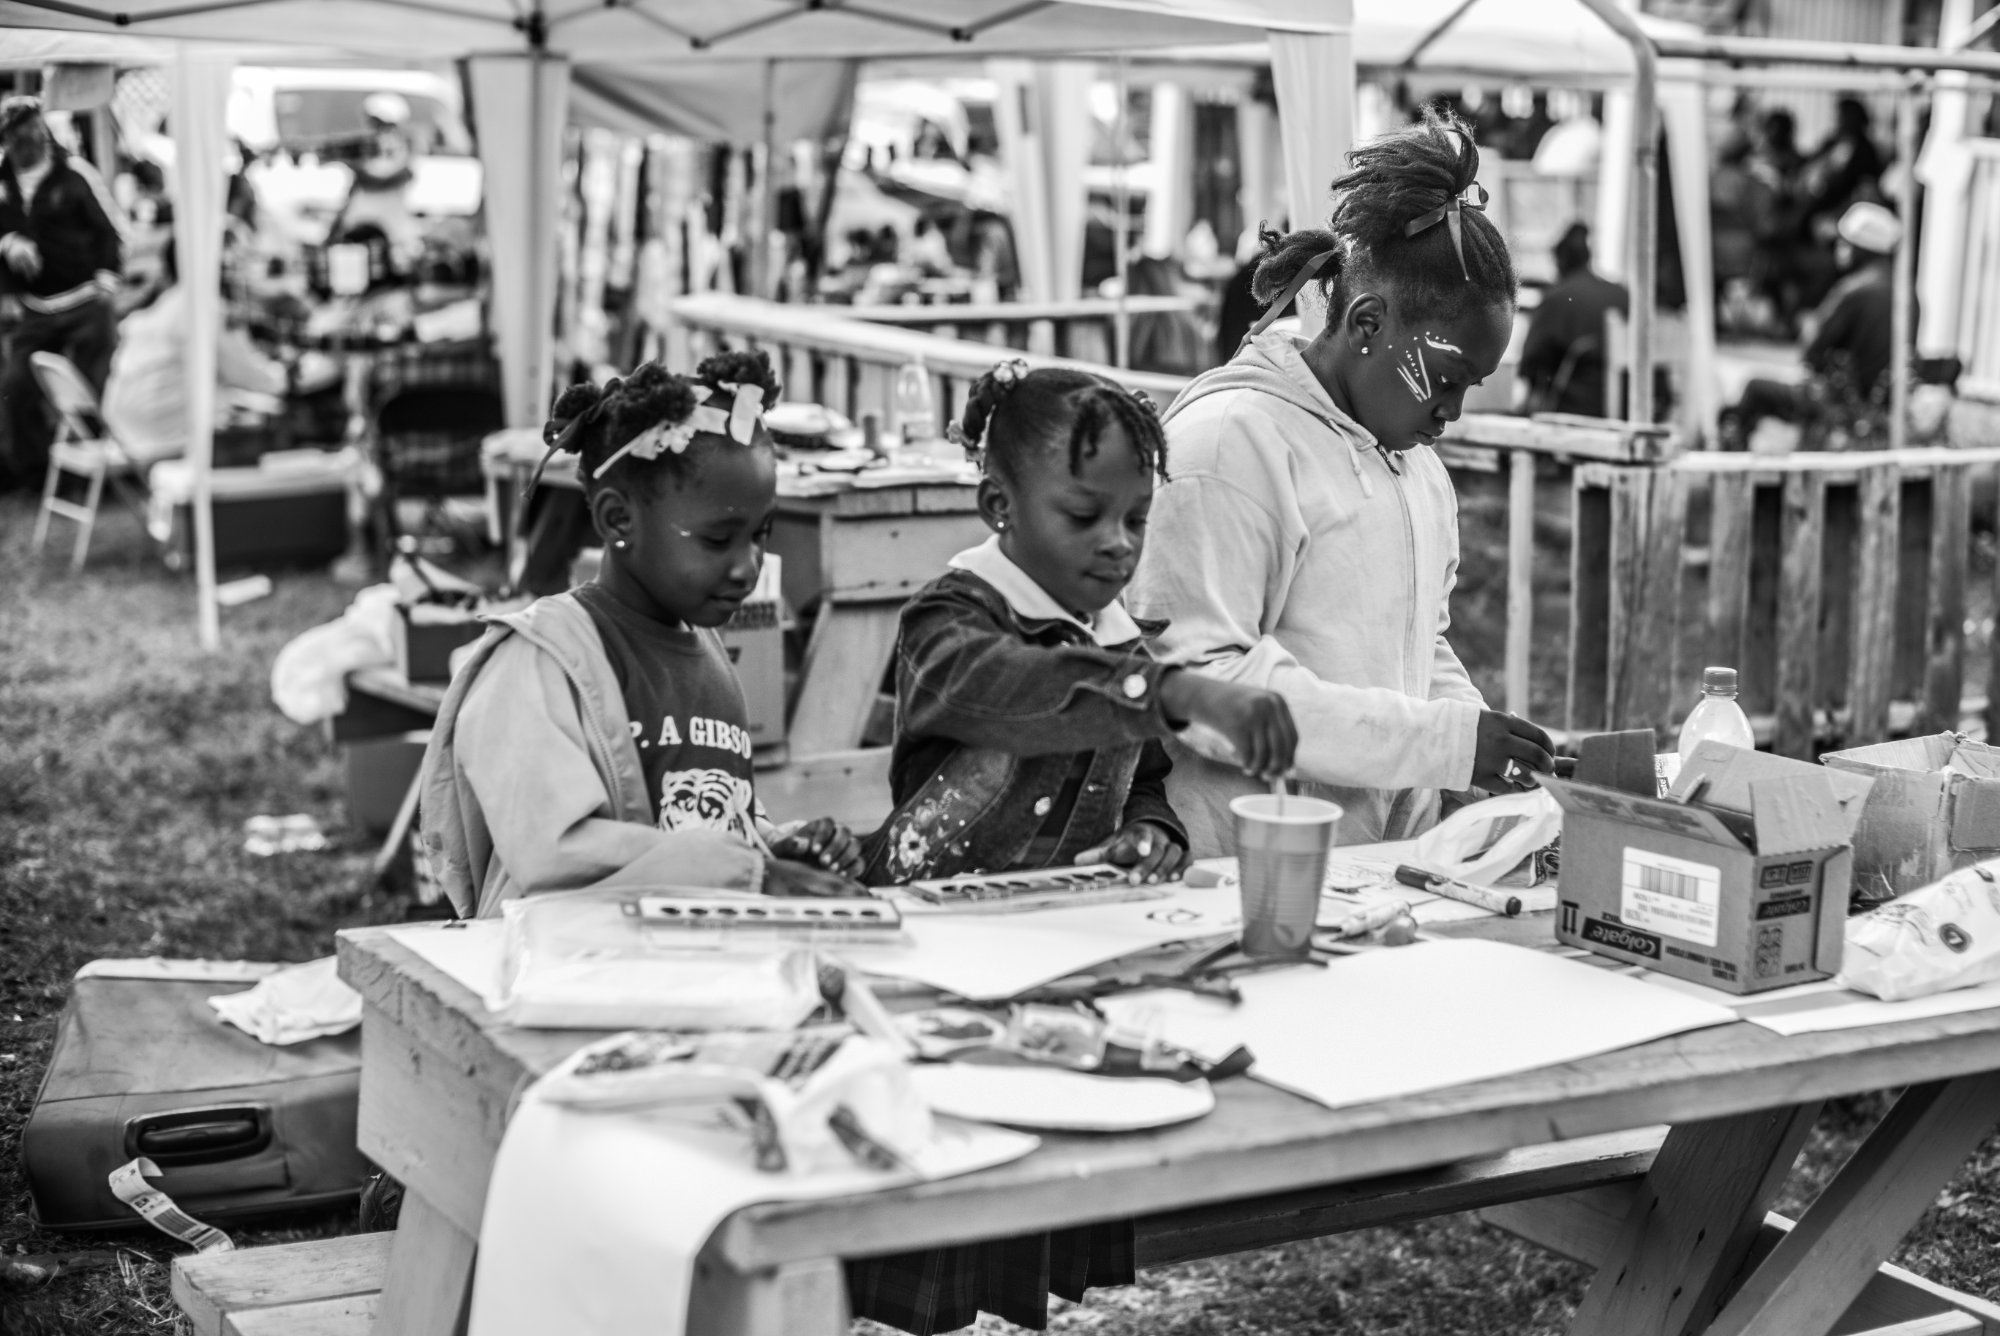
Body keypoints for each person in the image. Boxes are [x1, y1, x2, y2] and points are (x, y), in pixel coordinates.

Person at [1127, 109, 1558, 855]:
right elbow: (1203, 686)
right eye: (1449, 379)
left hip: (1378, 878)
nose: (1453, 411)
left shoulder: (1416, 465)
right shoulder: (1230, 443)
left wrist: (1482, 738)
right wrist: (1447, 742)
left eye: (1473, 387)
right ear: (1366, 323)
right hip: (1238, 877)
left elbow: (1416, 646)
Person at [416, 350, 865, 918]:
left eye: (760, 535)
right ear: (617, 520)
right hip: (571, 978)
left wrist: (781, 850)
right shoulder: (540, 661)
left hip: (684, 970)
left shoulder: (706, 652)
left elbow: (707, 822)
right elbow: (556, 853)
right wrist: (751, 875)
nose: (748, 566)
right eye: (717, 539)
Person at [860, 358, 1296, 887]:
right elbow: (1013, 684)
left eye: (1136, 519)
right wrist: (1180, 693)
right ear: (1000, 505)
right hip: (929, 917)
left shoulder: (1118, 638)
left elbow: (1143, 780)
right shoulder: (947, 621)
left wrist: (1150, 830)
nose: (1120, 542)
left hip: (1065, 918)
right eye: (1084, 517)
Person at [100, 237, 335, 467]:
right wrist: (308, 372)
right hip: (161, 436)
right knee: (280, 418)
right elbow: (253, 377)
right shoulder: (205, 307)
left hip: (123, 430)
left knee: (241, 405)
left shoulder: (167, 302)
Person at [0, 95, 124, 490]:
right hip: (34, 306)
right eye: (20, 136)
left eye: (36, 132)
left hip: (85, 300)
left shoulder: (74, 173)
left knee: (90, 388)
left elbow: (110, 230)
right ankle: (35, 474)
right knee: (18, 386)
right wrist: (7, 244)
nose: (31, 142)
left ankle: (95, 474)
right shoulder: (2, 183)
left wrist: (106, 279)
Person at [1720, 201, 1913, 451]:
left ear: (1863, 249)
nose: (1839, 250)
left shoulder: (1853, 291)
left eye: (1846, 243)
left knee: (1753, 387)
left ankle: (1731, 461)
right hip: (1880, 407)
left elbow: (1810, 350)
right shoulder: (1910, 295)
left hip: (1839, 404)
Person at [1518, 222, 1628, 418]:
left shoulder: (1558, 298)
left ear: (1560, 260)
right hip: (1628, 406)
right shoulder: (1621, 294)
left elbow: (1531, 363)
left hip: (1579, 410)